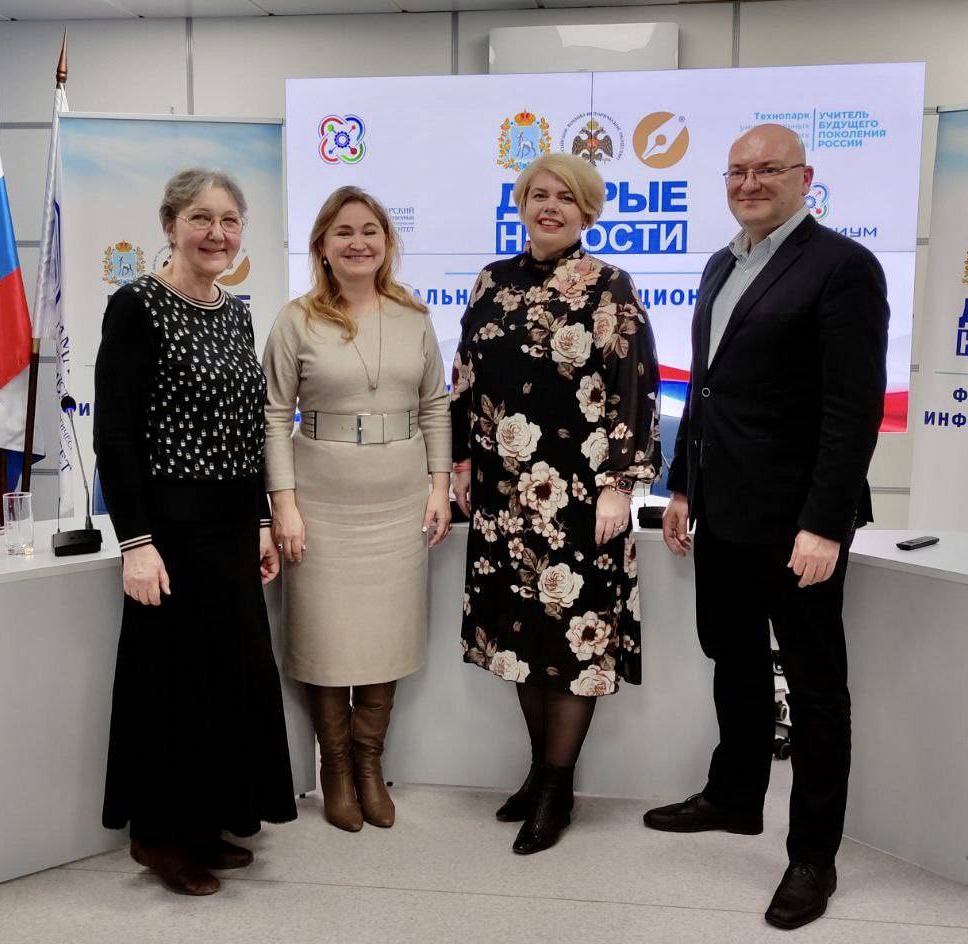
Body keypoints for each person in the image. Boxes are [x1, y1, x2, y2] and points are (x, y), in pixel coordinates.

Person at [641, 124, 888, 930]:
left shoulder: (844, 267)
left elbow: (852, 410)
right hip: (723, 510)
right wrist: (683, 486)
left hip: (797, 524)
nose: (749, 183)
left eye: (768, 170)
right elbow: (706, 390)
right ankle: (734, 795)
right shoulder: (722, 263)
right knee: (734, 657)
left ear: (804, 178)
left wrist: (824, 525)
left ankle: (813, 857)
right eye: (737, 171)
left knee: (814, 690)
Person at [94, 168, 297, 897]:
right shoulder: (136, 306)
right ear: (170, 225)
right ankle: (158, 836)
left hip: (231, 526)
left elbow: (247, 430)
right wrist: (136, 543)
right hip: (170, 531)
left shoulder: (235, 313)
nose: (218, 233)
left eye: (230, 220)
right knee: (171, 686)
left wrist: (263, 522)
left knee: (227, 680)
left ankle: (205, 822)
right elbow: (115, 436)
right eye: (202, 218)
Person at [451, 153, 660, 855]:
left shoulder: (608, 284)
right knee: (522, 640)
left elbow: (635, 386)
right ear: (520, 204)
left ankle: (558, 789)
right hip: (504, 495)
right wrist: (460, 462)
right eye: (538, 194)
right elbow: (466, 378)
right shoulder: (492, 280)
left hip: (578, 496)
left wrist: (620, 486)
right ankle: (541, 772)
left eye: (566, 197)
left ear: (587, 211)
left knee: (572, 642)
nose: (550, 206)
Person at [263, 187, 451, 832]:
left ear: (387, 242)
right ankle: (336, 769)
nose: (358, 242)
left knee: (385, 636)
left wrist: (439, 486)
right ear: (322, 244)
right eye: (343, 231)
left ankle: (371, 764)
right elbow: (273, 415)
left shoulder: (413, 316)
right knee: (325, 639)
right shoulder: (296, 320)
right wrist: (283, 504)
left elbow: (435, 405)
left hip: (398, 502)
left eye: (370, 230)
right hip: (320, 503)